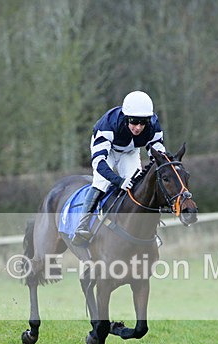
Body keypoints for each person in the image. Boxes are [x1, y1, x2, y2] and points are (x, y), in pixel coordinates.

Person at [71, 90, 167, 246]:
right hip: (107, 152)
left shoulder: (153, 126)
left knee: (136, 186)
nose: (138, 127)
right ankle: (82, 225)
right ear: (126, 117)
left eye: (143, 122)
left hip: (129, 152)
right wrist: (118, 180)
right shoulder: (108, 125)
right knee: (101, 183)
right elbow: (99, 163)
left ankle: (147, 231)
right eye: (134, 121)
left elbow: (158, 152)